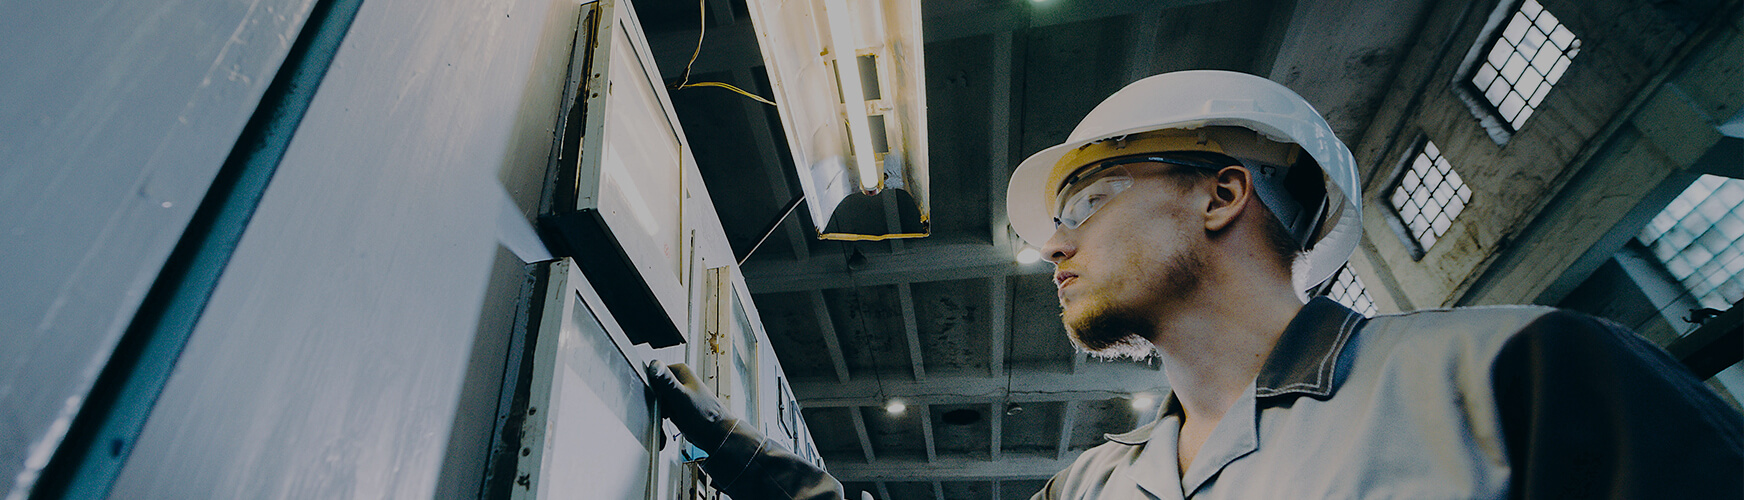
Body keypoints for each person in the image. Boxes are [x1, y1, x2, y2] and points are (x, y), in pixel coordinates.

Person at [648, 70, 1744, 499]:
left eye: (1084, 205)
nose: (1054, 246)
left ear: (1221, 195)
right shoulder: (1094, 486)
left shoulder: (1515, 373)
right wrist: (742, 455)